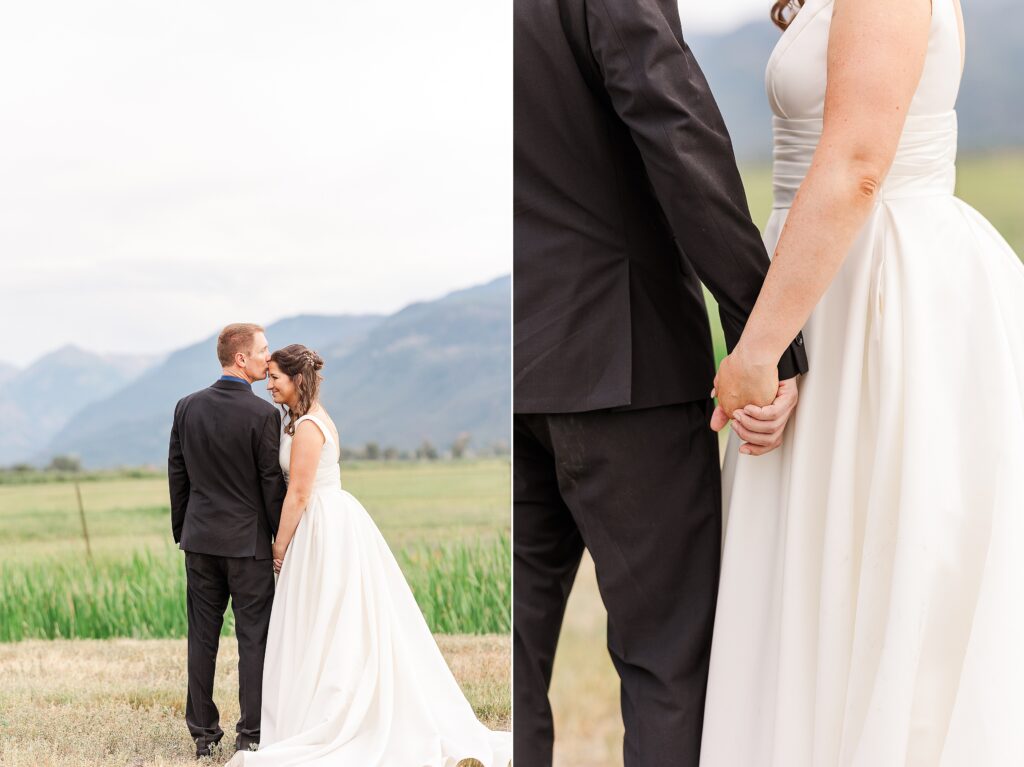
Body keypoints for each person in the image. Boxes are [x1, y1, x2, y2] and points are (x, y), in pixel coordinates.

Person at [701, 0, 1024, 763]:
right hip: (822, 284)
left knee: (890, 575)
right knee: (819, 584)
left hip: (877, 296)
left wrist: (759, 351)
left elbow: (855, 167)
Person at [513, 0, 808, 763]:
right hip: (623, 354)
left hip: (507, 361)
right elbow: (674, 126)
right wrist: (761, 328)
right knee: (668, 662)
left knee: (513, 670)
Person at [227, 344, 511, 767]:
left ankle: (338, 710)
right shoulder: (305, 420)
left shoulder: (307, 427)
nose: (268, 385)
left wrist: (280, 545)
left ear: (297, 380)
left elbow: (300, 492)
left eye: (275, 378)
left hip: (321, 526)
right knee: (329, 617)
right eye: (267, 376)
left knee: (329, 616)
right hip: (328, 520)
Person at [169, 322, 286, 758]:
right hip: (248, 545)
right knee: (254, 638)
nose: (267, 359)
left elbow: (176, 472)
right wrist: (280, 539)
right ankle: (251, 733)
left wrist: (184, 530)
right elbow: (270, 482)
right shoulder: (262, 415)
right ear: (241, 358)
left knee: (201, 636)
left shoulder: (186, 407)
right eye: (262, 351)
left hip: (199, 540)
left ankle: (203, 734)